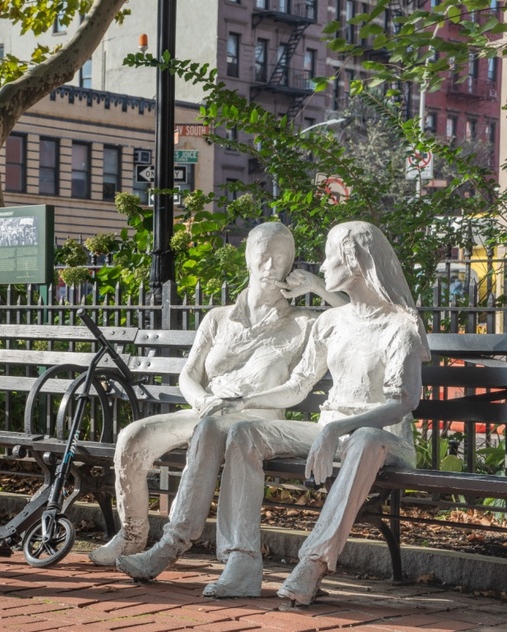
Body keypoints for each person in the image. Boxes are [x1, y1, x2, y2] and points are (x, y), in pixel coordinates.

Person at [191, 221, 430, 604]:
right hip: (331, 431)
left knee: (365, 439)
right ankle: (242, 563)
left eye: (329, 255)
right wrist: (244, 403)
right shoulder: (331, 321)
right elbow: (299, 385)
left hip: (386, 440)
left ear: (354, 262)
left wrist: (339, 429)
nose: (320, 263)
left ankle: (313, 564)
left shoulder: (400, 325)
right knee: (244, 432)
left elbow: (404, 402)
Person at [91, 222, 343, 567]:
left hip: (255, 419)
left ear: (292, 264)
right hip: (206, 410)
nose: (271, 265)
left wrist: (317, 286)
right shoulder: (218, 318)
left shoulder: (305, 323)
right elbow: (189, 373)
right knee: (133, 436)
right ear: (248, 257)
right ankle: (131, 535)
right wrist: (200, 399)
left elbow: (356, 317)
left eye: (281, 258)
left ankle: (175, 545)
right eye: (264, 255)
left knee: (210, 431)